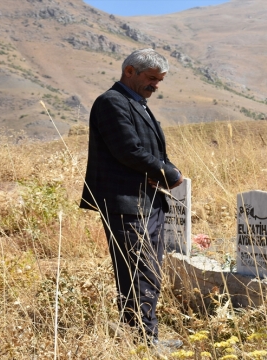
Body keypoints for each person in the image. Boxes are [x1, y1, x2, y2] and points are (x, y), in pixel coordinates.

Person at [79, 49, 183, 350]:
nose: (156, 86)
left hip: (145, 201)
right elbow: (128, 150)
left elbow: (147, 151)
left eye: (159, 80)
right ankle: (144, 344)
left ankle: (139, 337)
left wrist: (162, 171)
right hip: (126, 203)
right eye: (151, 79)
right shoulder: (111, 102)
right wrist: (169, 173)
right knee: (139, 272)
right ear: (129, 71)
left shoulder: (135, 101)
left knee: (146, 271)